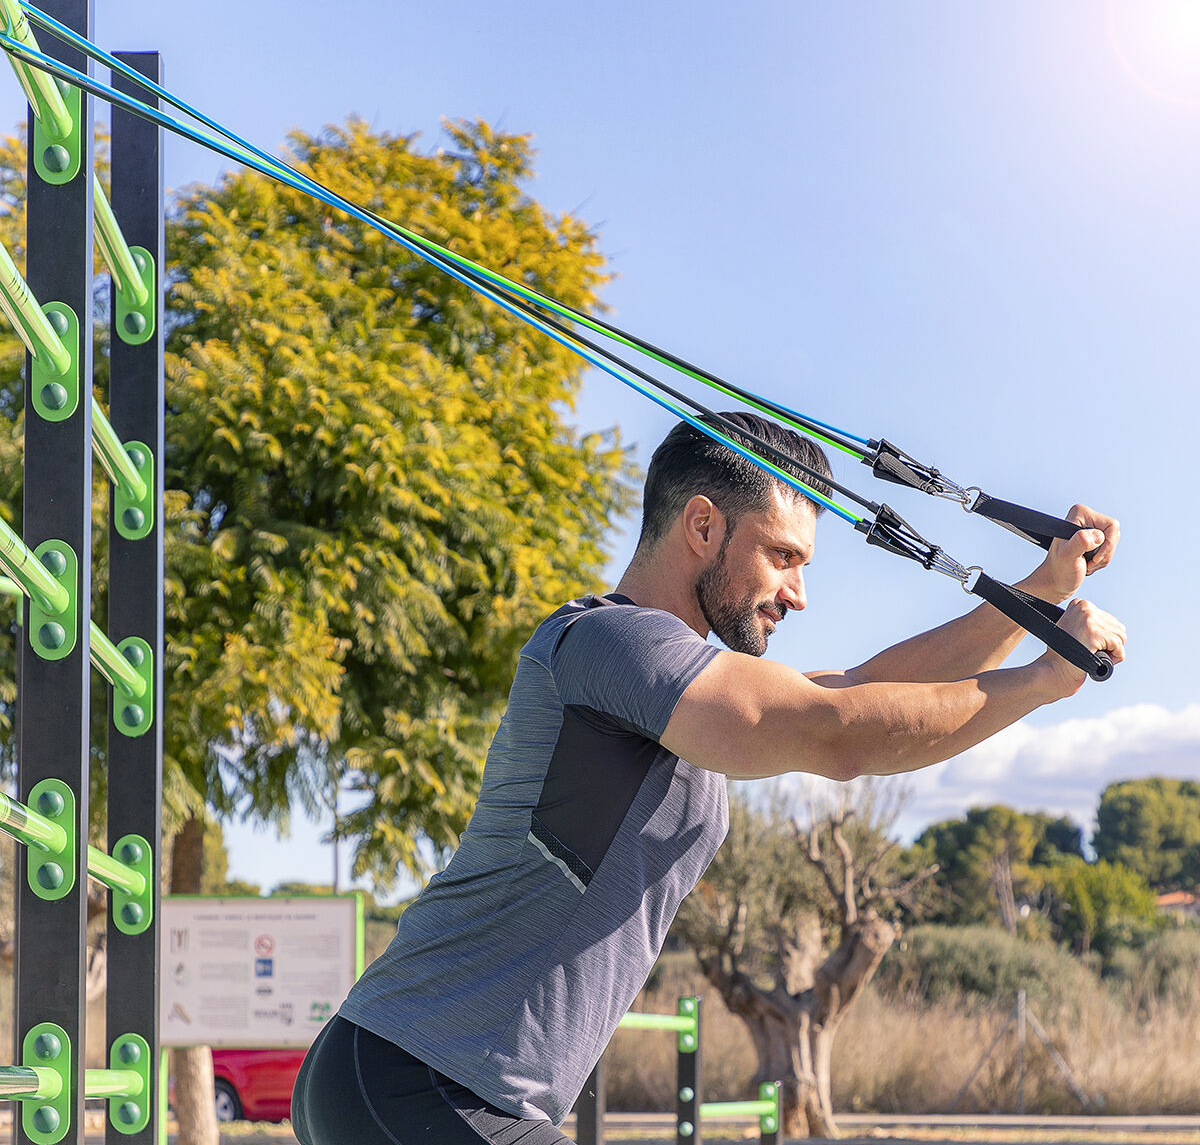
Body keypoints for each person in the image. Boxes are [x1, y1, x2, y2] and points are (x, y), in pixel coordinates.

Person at [291, 412, 1124, 1144]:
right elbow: (838, 736)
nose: (798, 594)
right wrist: (1041, 683)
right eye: (784, 556)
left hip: (439, 1085)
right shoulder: (611, 643)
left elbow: (862, 694)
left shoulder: (678, 683)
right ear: (701, 524)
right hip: (417, 1073)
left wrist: (1040, 592)